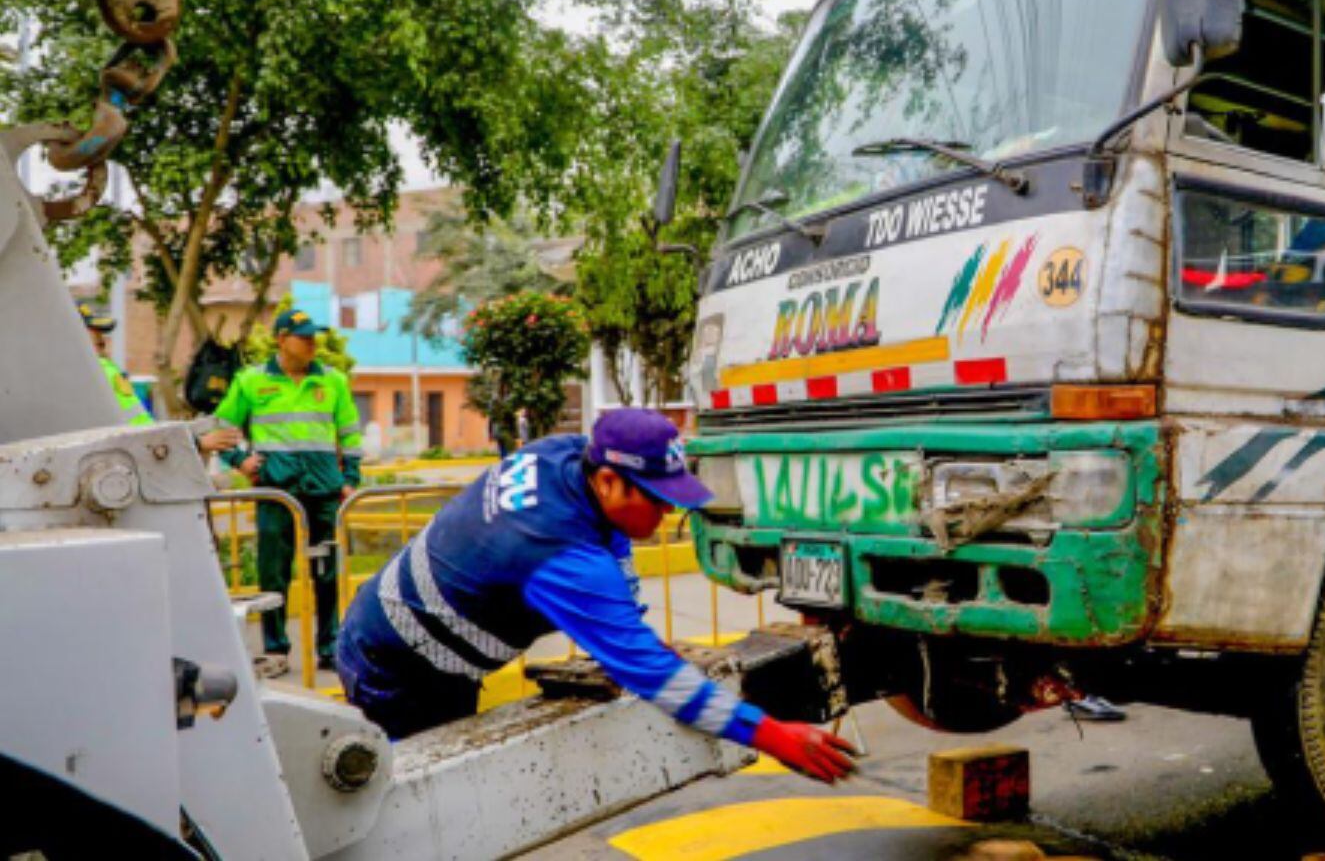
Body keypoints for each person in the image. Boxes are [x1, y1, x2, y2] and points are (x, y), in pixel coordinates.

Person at [332, 409, 858, 783]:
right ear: (608, 481)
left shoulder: (560, 456)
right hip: (395, 667)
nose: (666, 514)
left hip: (418, 641)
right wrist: (775, 737)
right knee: (421, 815)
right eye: (656, 500)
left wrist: (632, 628)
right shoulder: (555, 550)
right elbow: (654, 677)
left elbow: (614, 542)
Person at [215, 309, 363, 675]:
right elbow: (220, 426)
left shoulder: (332, 381)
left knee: (327, 571)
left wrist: (352, 479)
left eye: (315, 337)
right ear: (282, 339)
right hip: (276, 490)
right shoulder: (251, 381)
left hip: (323, 487)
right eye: (305, 337)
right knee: (274, 572)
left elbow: (350, 434)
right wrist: (239, 459)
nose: (313, 343)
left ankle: (330, 647)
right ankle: (276, 650)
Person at [79, 304, 242, 455]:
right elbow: (141, 430)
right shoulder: (101, 371)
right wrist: (196, 444)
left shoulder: (78, 373)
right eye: (99, 343)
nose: (103, 347)